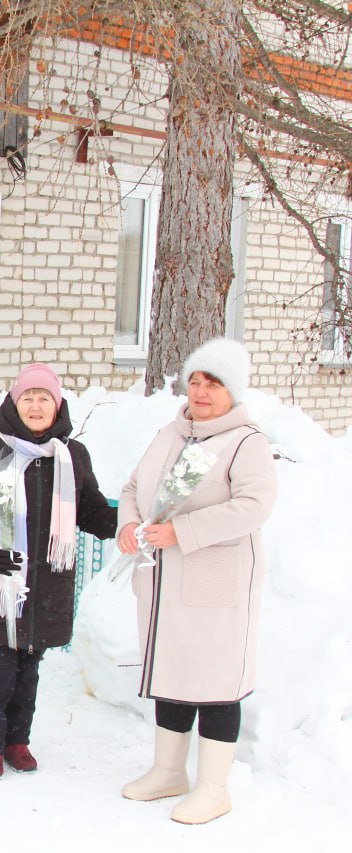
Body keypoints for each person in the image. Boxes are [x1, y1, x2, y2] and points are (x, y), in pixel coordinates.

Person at [116, 338, 276, 825]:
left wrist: (180, 533)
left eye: (214, 383)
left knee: (215, 683)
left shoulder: (246, 442)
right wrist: (128, 524)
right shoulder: (171, 432)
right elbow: (132, 487)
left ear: (234, 390)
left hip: (214, 587)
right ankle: (168, 770)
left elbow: (253, 507)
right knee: (174, 673)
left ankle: (213, 787)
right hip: (163, 584)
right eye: (196, 381)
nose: (201, 391)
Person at [0, 363, 117, 779]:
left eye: (45, 397)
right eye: (28, 397)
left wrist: (126, 520)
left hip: (46, 585)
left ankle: (17, 740)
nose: (36, 405)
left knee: (29, 668)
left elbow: (90, 510)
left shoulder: (71, 456)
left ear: (57, 405)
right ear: (14, 403)